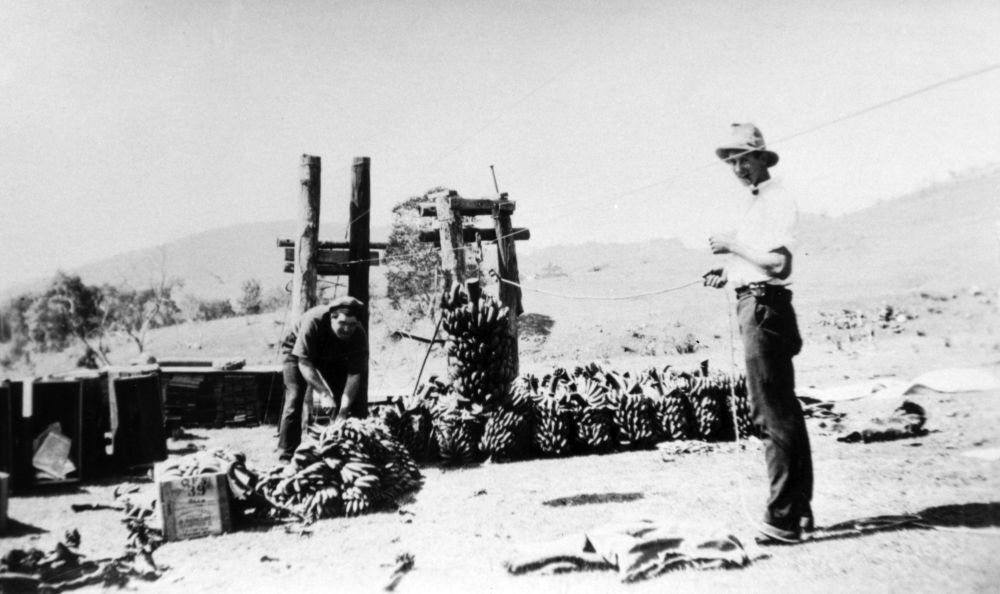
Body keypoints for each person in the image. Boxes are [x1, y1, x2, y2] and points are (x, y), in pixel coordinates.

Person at [703, 123, 814, 544]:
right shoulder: (759, 203)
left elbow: (779, 265)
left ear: (762, 158)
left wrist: (733, 246)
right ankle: (798, 511)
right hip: (758, 302)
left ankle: (783, 517)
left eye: (744, 159)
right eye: (732, 162)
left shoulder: (777, 199)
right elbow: (758, 261)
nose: (738, 168)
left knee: (770, 413)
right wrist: (729, 270)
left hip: (764, 307)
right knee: (782, 410)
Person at [277, 296, 369, 461]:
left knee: (345, 403)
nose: (347, 329)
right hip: (297, 353)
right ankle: (286, 454)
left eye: (352, 325)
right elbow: (304, 362)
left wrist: (343, 411)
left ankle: (339, 449)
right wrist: (324, 393)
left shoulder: (359, 335)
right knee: (295, 397)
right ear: (332, 318)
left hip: (332, 354)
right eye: (342, 323)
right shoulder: (314, 320)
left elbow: (354, 376)